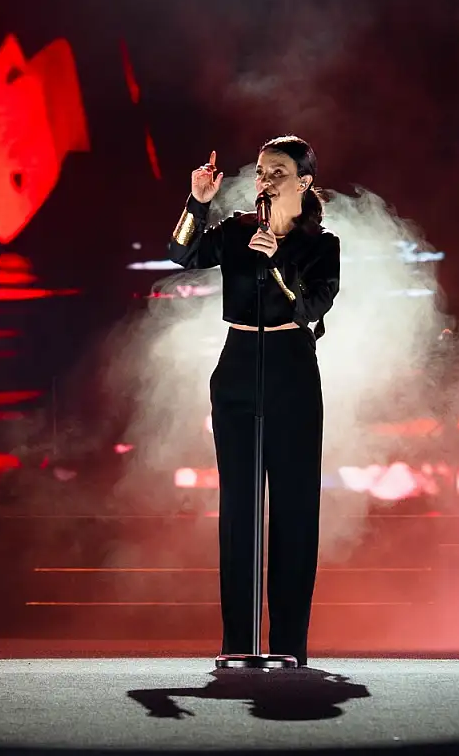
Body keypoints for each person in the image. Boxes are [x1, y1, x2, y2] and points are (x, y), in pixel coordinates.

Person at [167, 136, 340, 667]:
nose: (264, 180)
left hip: (292, 367)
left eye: (277, 172)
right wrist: (198, 202)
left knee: (294, 509)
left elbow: (312, 305)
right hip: (238, 365)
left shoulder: (321, 243)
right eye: (262, 171)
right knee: (239, 509)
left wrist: (279, 263)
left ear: (304, 181)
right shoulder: (237, 230)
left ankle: (289, 645)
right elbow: (181, 253)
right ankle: (238, 642)